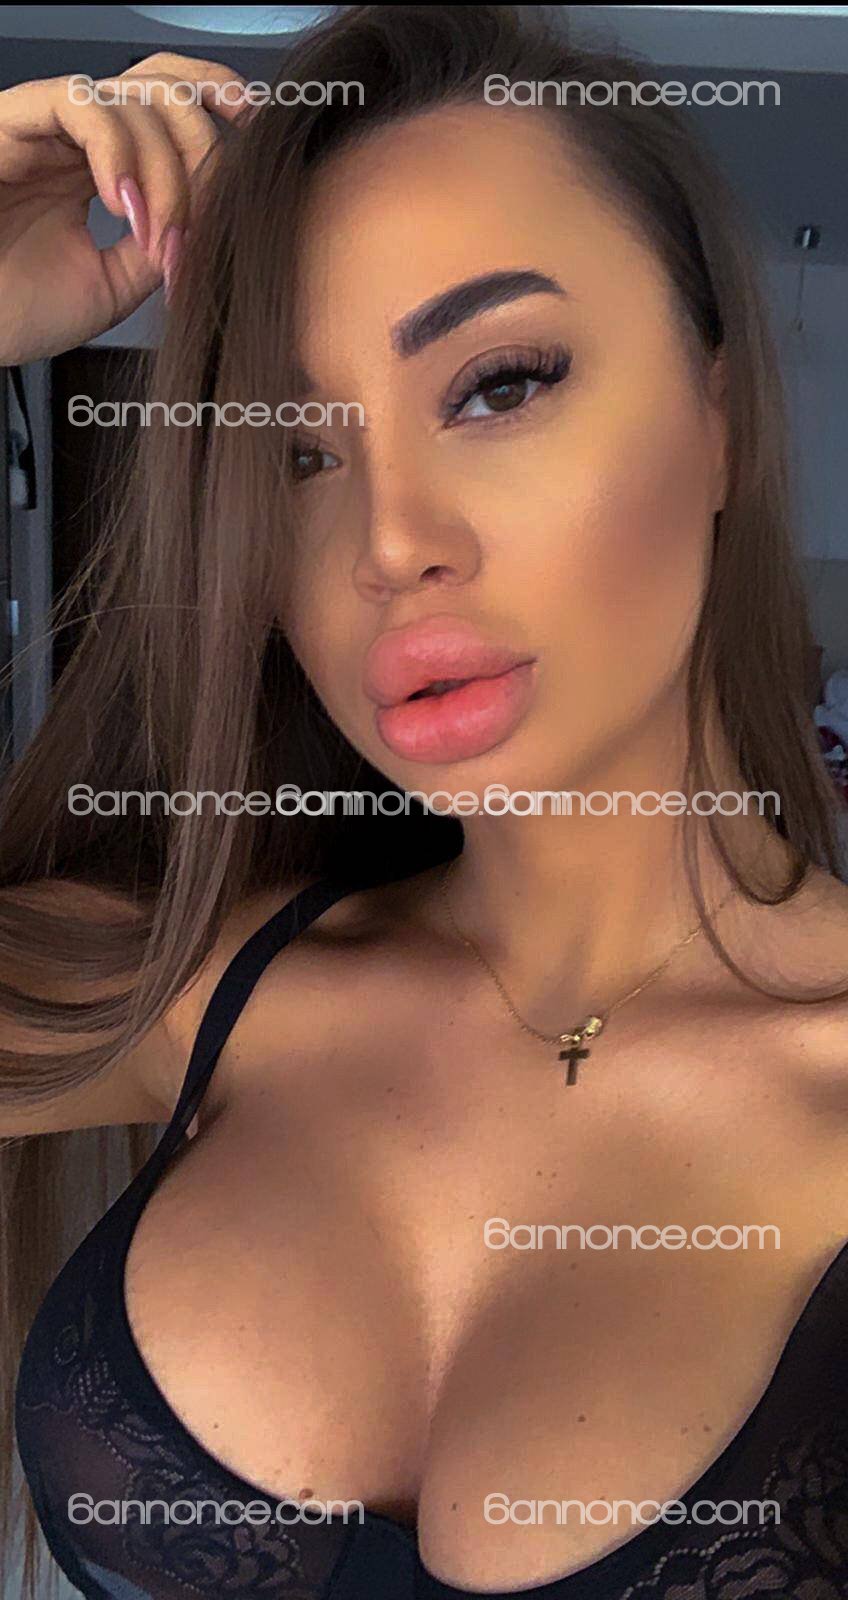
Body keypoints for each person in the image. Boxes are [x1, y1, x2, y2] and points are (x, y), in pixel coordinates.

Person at [1, 6, 847, 1598]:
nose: (391, 543)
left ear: (721, 417)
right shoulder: (201, 992)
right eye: (298, 453)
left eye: (499, 385)